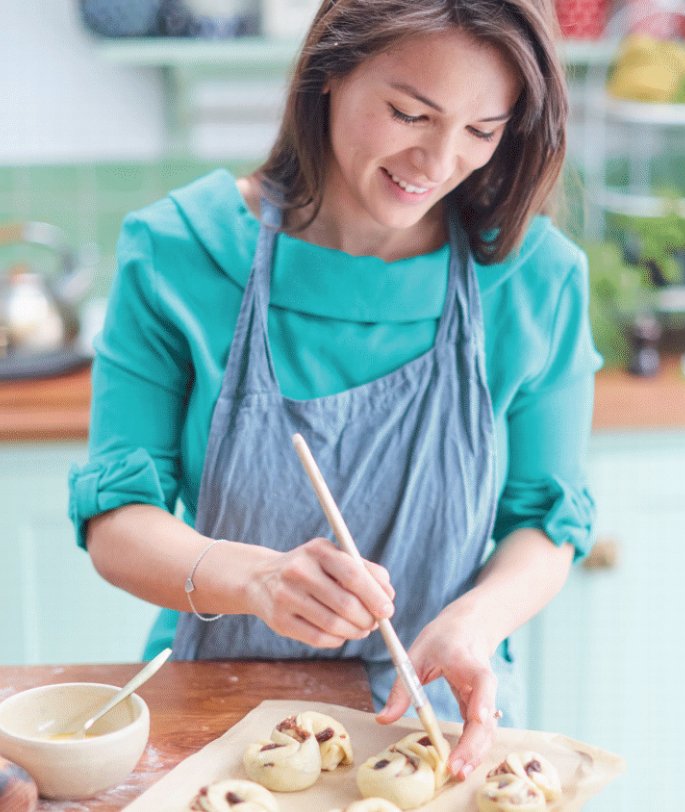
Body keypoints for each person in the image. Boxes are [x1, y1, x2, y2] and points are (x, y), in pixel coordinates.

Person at [68, 0, 600, 780]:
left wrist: (475, 621)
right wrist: (255, 579)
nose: (438, 161)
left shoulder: (536, 279)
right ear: (328, 72)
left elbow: (548, 521)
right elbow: (117, 521)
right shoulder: (178, 252)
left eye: (482, 131)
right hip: (219, 722)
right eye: (409, 113)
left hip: (437, 732)